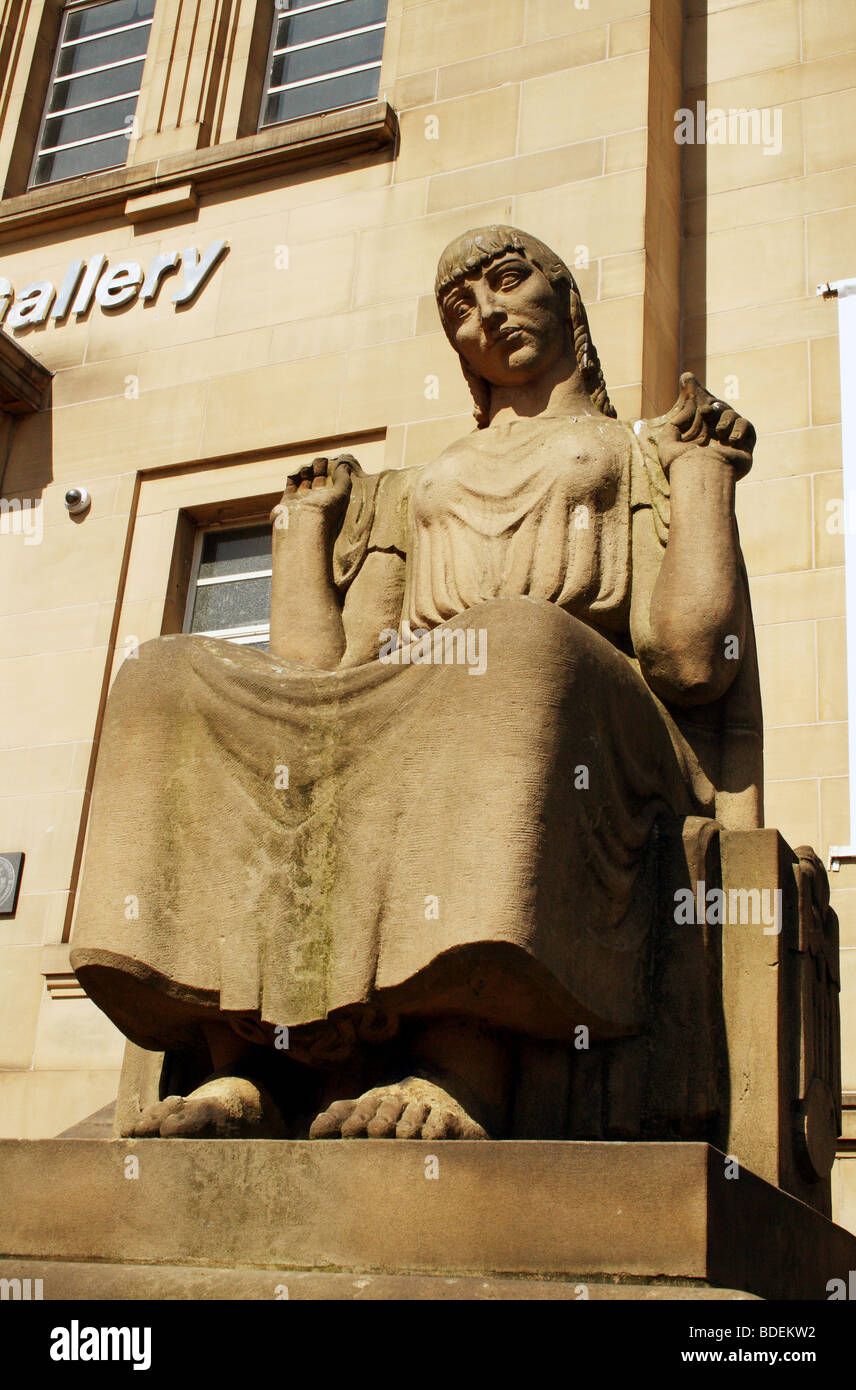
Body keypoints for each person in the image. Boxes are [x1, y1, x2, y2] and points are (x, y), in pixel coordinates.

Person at [71, 226, 761, 1140]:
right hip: (438, 692)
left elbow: (689, 660)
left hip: (592, 715)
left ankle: (460, 1063)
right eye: (460, 312)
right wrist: (303, 531)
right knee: (166, 675)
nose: (487, 316)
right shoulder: (416, 486)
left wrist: (703, 474)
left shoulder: (638, 453)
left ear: (565, 298)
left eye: (509, 283)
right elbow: (323, 673)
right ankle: (243, 1065)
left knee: (505, 649)